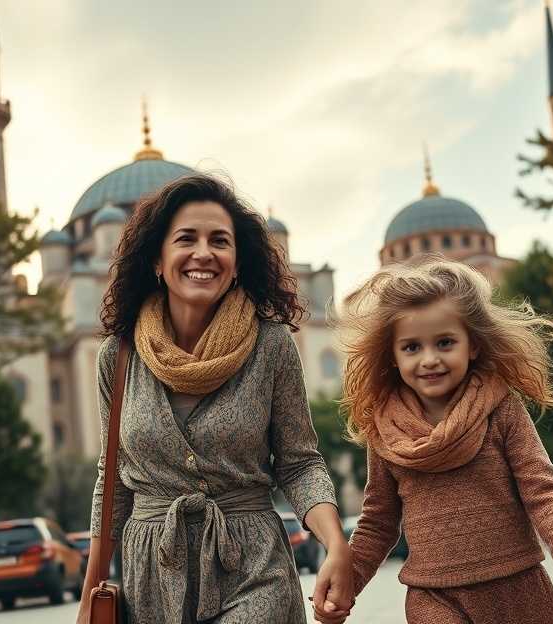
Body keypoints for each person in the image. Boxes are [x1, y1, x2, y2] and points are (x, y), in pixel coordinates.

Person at [75, 174, 353, 624]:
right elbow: (113, 480)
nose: (204, 253)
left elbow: (299, 463)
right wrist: (90, 593)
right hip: (153, 574)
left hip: (252, 562)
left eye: (219, 241)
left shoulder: (272, 345)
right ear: (158, 262)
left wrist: (336, 544)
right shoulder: (118, 355)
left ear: (237, 263)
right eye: (187, 238)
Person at [316, 258, 553, 624]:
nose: (430, 359)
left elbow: (542, 489)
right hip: (433, 596)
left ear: (473, 345)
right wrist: (347, 584)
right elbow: (378, 522)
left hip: (517, 589)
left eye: (445, 342)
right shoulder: (385, 429)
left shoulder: (501, 407)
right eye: (411, 348)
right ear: (392, 356)